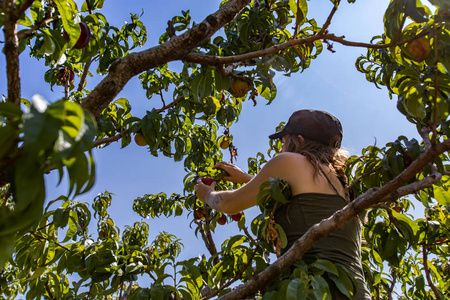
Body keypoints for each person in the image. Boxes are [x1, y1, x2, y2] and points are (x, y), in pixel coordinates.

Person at [194, 109, 372, 299]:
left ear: (300, 140)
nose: (281, 148)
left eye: (284, 141)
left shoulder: (289, 161)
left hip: (316, 290)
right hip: (355, 291)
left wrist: (207, 194)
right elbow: (303, 194)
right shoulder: (345, 184)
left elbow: (228, 204)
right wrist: (246, 178)